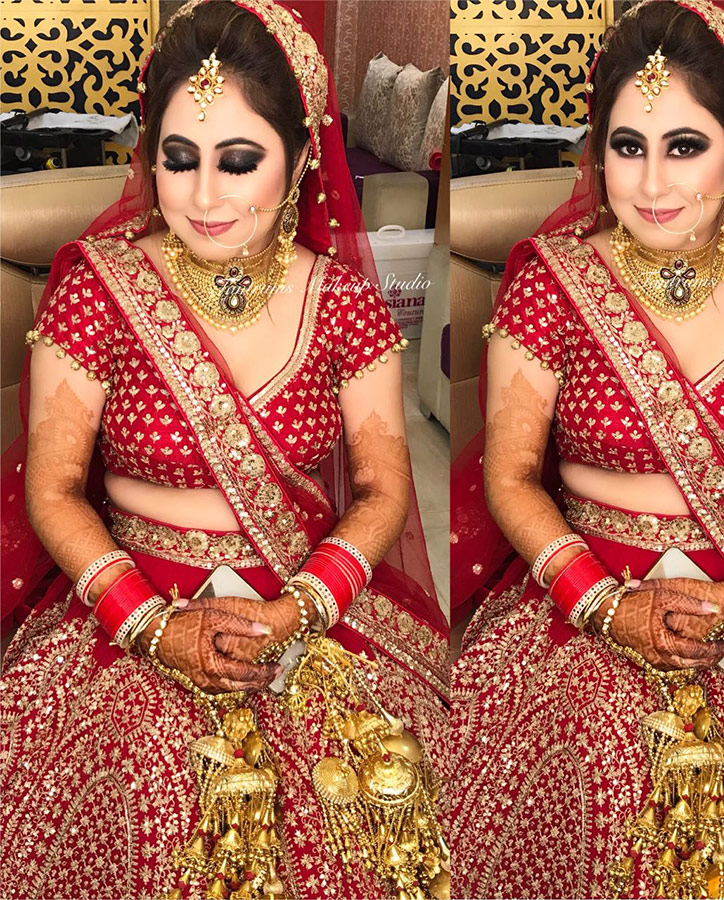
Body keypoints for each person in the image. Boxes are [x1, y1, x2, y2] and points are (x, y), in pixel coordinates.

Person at [449, 1, 724, 897]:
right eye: (628, 146)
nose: (651, 181)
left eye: (685, 146)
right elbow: (510, 476)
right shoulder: (551, 285)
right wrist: (603, 605)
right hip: (584, 589)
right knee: (603, 756)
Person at [0, 2, 449, 898]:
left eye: (238, 162)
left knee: (386, 806)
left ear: (299, 159)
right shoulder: (100, 290)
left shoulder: (343, 303)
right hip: (128, 608)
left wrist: (301, 610)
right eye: (179, 159)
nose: (203, 196)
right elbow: (53, 490)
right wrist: (151, 624)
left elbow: (382, 492)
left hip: (303, 602)